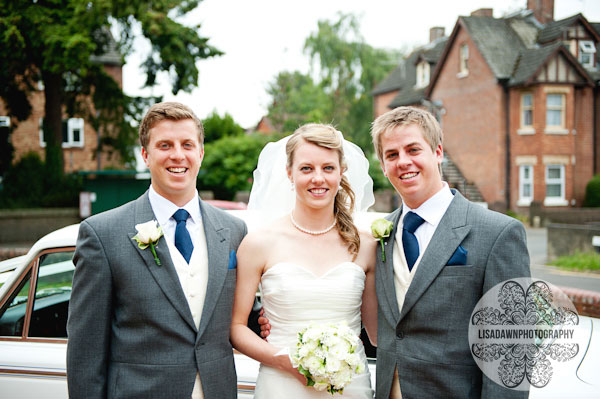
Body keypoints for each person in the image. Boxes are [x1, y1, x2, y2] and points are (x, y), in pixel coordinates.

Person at [66, 102, 247, 398]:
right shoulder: (102, 234)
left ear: (200, 153)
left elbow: (239, 314)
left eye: (187, 144)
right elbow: (86, 349)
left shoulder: (234, 231)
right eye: (165, 145)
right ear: (146, 156)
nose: (178, 154)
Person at [370, 106, 530, 398]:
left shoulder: (498, 233)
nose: (403, 161)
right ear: (383, 165)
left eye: (413, 149)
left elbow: (510, 352)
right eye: (391, 155)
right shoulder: (380, 233)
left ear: (438, 152)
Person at [230, 123, 377, 398]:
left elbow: (377, 333)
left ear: (341, 171)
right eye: (306, 168)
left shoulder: (366, 245)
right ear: (289, 173)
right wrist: (280, 359)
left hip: (350, 387)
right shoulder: (259, 243)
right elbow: (237, 328)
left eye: (328, 168)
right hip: (280, 383)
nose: (318, 178)